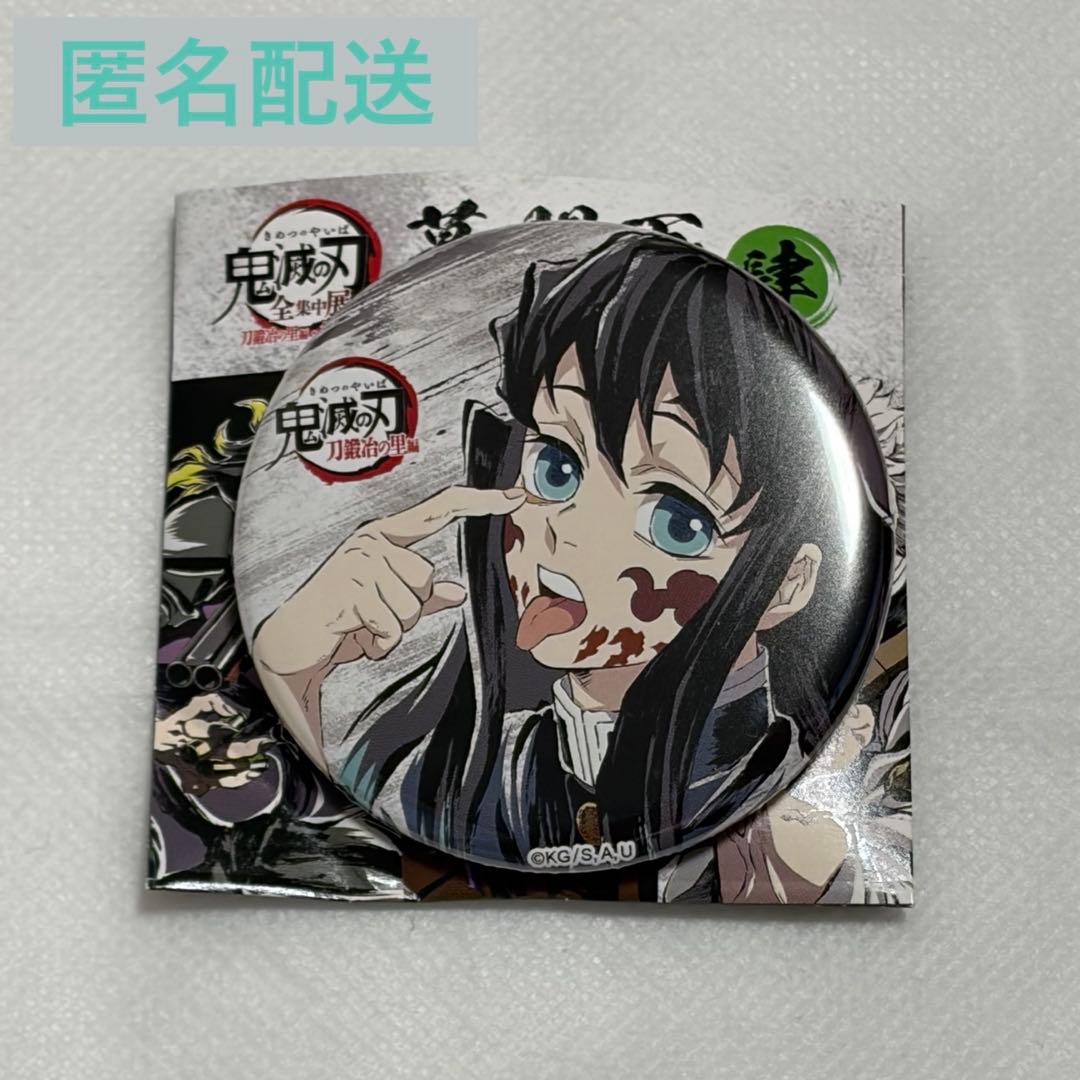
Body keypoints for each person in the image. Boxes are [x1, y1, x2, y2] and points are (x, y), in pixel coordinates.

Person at [254, 232, 892, 868]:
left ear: (787, 584)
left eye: (675, 519)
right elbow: (326, 855)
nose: (567, 535)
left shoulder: (784, 829)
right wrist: (293, 677)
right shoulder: (479, 772)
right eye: (557, 465)